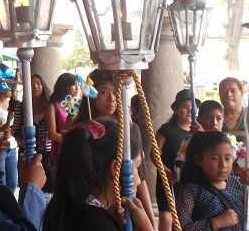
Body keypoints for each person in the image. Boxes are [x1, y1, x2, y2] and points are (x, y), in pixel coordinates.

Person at [76, 69, 156, 228]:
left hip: (125, 206)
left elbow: (139, 179)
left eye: (115, 92)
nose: (111, 98)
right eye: (104, 92)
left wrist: (150, 219)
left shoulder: (130, 129)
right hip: (93, 207)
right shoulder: (80, 131)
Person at [43, 117, 153, 231]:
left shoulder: (62, 206)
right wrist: (147, 228)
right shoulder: (99, 224)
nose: (139, 180)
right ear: (116, 169)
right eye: (137, 167)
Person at [176, 131, 249, 230]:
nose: (223, 165)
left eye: (227, 158)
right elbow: (181, 227)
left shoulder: (238, 184)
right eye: (215, 158)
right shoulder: (191, 190)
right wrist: (216, 222)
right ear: (199, 160)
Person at [154, 89, 194, 231]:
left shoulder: (196, 131)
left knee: (183, 217)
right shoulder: (167, 129)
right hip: (167, 180)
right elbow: (154, 154)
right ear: (176, 110)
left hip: (187, 181)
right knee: (166, 216)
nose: (190, 111)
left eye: (193, 108)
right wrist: (166, 172)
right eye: (185, 107)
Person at [12, 74, 53, 190]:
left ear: (43, 86)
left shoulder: (49, 107)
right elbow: (15, 129)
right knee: (27, 184)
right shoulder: (21, 106)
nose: (35, 86)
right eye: (32, 84)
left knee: (47, 186)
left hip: (46, 152)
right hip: (27, 151)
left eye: (38, 83)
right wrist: (21, 142)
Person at [220, 77, 249, 143]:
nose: (228, 94)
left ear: (241, 93)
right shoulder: (214, 118)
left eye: (233, 91)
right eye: (224, 91)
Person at [45, 73, 78, 163]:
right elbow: (52, 134)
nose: (77, 88)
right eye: (74, 85)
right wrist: (72, 141)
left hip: (72, 153)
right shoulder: (53, 106)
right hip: (59, 154)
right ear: (65, 86)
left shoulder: (72, 104)